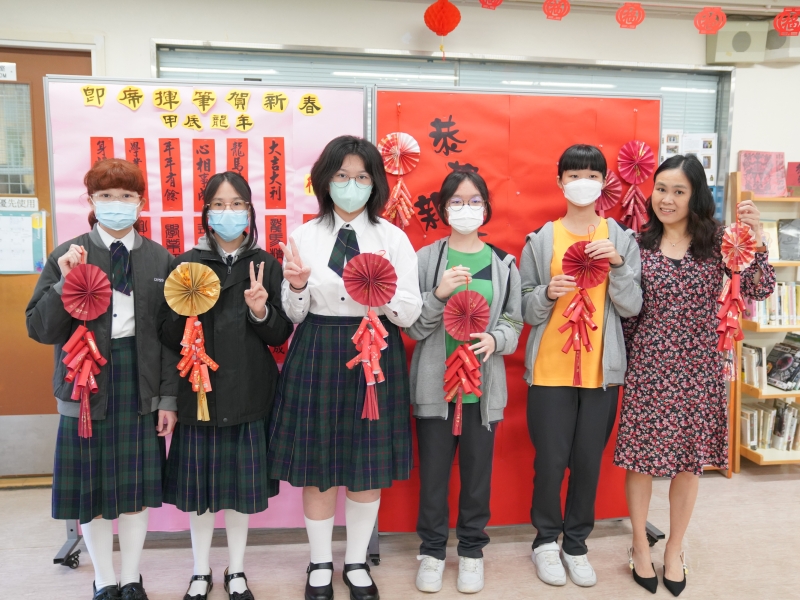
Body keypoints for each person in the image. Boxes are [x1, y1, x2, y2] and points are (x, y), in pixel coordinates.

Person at [268, 135, 422, 600]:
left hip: (375, 347)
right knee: (319, 465)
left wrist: (379, 293)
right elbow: (293, 314)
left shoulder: (392, 238)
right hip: (317, 346)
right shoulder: (305, 236)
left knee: (365, 465)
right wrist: (297, 288)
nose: (350, 185)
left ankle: (356, 561)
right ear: (325, 180)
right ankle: (319, 562)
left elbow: (410, 314)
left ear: (374, 183)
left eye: (361, 176)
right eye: (341, 176)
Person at [614, 155, 775, 597]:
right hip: (648, 368)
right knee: (640, 462)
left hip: (700, 369)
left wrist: (758, 239)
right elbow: (624, 310)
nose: (666, 199)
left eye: (678, 191)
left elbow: (759, 288)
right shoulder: (636, 243)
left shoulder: (721, 241)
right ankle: (639, 545)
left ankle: (674, 549)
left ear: (696, 195)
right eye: (661, 189)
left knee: (689, 464)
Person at [26, 158, 178, 600]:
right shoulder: (68, 253)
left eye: (126, 195)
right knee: (90, 491)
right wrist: (64, 282)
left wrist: (168, 398)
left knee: (135, 490)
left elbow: (171, 338)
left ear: (140, 202)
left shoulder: (159, 257)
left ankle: (131, 578)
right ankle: (104, 579)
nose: (117, 203)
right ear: (91, 200)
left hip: (140, 379)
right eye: (106, 195)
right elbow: (40, 328)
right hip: (85, 381)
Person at [158, 172, 293, 600]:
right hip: (199, 395)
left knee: (240, 494)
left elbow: (280, 333)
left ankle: (236, 570)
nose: (228, 212)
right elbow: (166, 334)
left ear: (250, 211)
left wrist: (260, 310)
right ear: (206, 212)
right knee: (199, 494)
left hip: (249, 394)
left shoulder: (265, 265)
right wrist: (184, 311)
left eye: (237, 204)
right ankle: (200, 571)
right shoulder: (185, 264)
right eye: (218, 204)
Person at [519, 144, 642, 588]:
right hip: (549, 369)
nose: (582, 182)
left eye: (592, 174)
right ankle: (544, 542)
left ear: (605, 182)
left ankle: (576, 544)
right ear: (560, 182)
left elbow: (632, 306)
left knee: (588, 463)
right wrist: (545, 293)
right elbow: (524, 307)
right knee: (550, 463)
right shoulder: (541, 239)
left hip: (600, 374)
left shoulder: (622, 238)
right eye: (574, 175)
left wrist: (619, 266)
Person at [406, 170, 522, 594]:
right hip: (436, 389)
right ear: (443, 209)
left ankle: (472, 552)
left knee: (477, 478)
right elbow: (413, 327)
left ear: (486, 208)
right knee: (434, 477)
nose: (466, 209)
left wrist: (496, 339)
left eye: (475, 201)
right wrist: (438, 295)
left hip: (482, 392)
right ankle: (432, 552)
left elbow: (514, 321)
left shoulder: (503, 263)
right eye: (457, 201)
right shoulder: (426, 259)